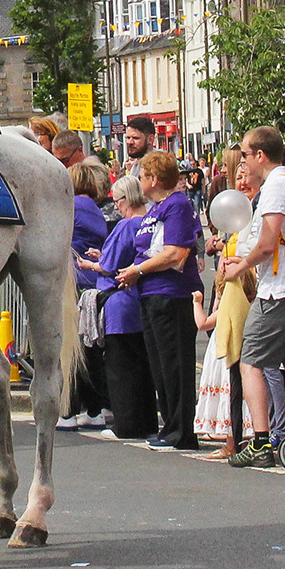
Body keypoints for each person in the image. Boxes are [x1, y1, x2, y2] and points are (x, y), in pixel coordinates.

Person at [222, 127, 285, 469]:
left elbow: (267, 242)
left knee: (251, 361)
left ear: (261, 155)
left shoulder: (276, 187)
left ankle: (261, 440)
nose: (244, 161)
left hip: (279, 288)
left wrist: (240, 266)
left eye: (246, 154)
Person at [112, 150, 203, 450]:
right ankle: (169, 427)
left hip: (172, 295)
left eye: (142, 176)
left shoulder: (176, 205)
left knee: (176, 365)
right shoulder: (155, 209)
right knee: (160, 366)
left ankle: (181, 431)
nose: (140, 181)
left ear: (153, 178)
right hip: (150, 295)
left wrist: (138, 270)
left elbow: (175, 253)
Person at [196, 163, 258, 456]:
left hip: (247, 288)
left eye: (248, 176)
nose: (243, 181)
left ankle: (244, 437)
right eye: (239, 177)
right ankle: (232, 438)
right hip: (231, 286)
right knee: (230, 367)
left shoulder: (260, 210)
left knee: (243, 364)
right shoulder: (236, 215)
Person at [95, 176, 154, 438]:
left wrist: (93, 264)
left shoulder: (125, 226)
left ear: (127, 199)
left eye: (117, 200)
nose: (116, 206)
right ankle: (148, 423)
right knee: (144, 369)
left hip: (120, 306)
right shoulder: (150, 221)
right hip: (143, 302)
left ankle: (126, 426)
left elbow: (110, 266)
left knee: (121, 371)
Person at [62, 160, 112, 429]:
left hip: (75, 281)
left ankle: (67, 410)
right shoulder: (93, 209)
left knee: (71, 348)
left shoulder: (73, 207)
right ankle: (94, 408)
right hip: (95, 282)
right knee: (90, 350)